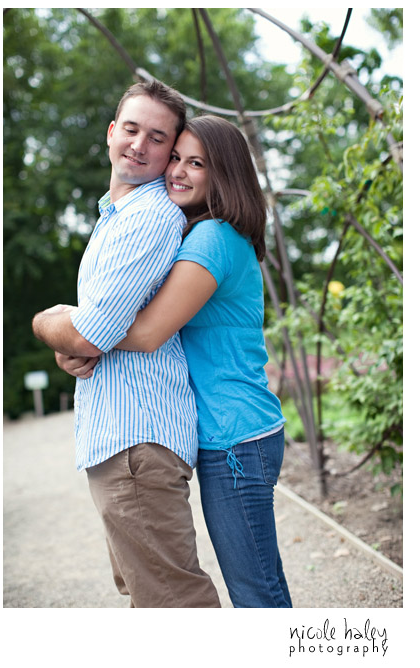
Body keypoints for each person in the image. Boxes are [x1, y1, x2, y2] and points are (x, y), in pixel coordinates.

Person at [32, 81, 220, 608]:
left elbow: (93, 332)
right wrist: (72, 342)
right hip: (122, 436)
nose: (139, 144)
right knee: (147, 594)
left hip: (136, 439)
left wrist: (49, 322)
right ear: (111, 133)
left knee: (173, 601)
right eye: (131, 129)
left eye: (157, 138)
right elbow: (94, 335)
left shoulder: (149, 218)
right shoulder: (115, 214)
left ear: (169, 151)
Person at [111, 115, 291, 607]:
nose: (178, 171)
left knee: (255, 593)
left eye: (197, 164)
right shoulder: (215, 236)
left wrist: (76, 331)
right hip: (240, 431)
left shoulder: (212, 238)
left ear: (223, 176)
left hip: (235, 438)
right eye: (176, 159)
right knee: (263, 583)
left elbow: (147, 332)